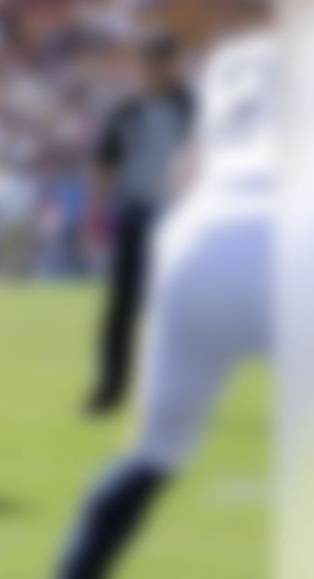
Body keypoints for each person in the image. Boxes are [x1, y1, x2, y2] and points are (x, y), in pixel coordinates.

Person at [58, 29, 275, 578]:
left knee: (149, 457)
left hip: (196, 240)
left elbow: (187, 175)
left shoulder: (225, 72)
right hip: (306, 238)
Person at [86, 32, 195, 416]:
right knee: (121, 304)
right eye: (149, 61)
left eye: (162, 61)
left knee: (180, 307)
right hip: (135, 210)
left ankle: (179, 393)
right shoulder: (125, 109)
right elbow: (105, 163)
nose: (154, 69)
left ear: (174, 63)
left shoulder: (195, 107)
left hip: (184, 215)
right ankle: (110, 388)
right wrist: (96, 214)